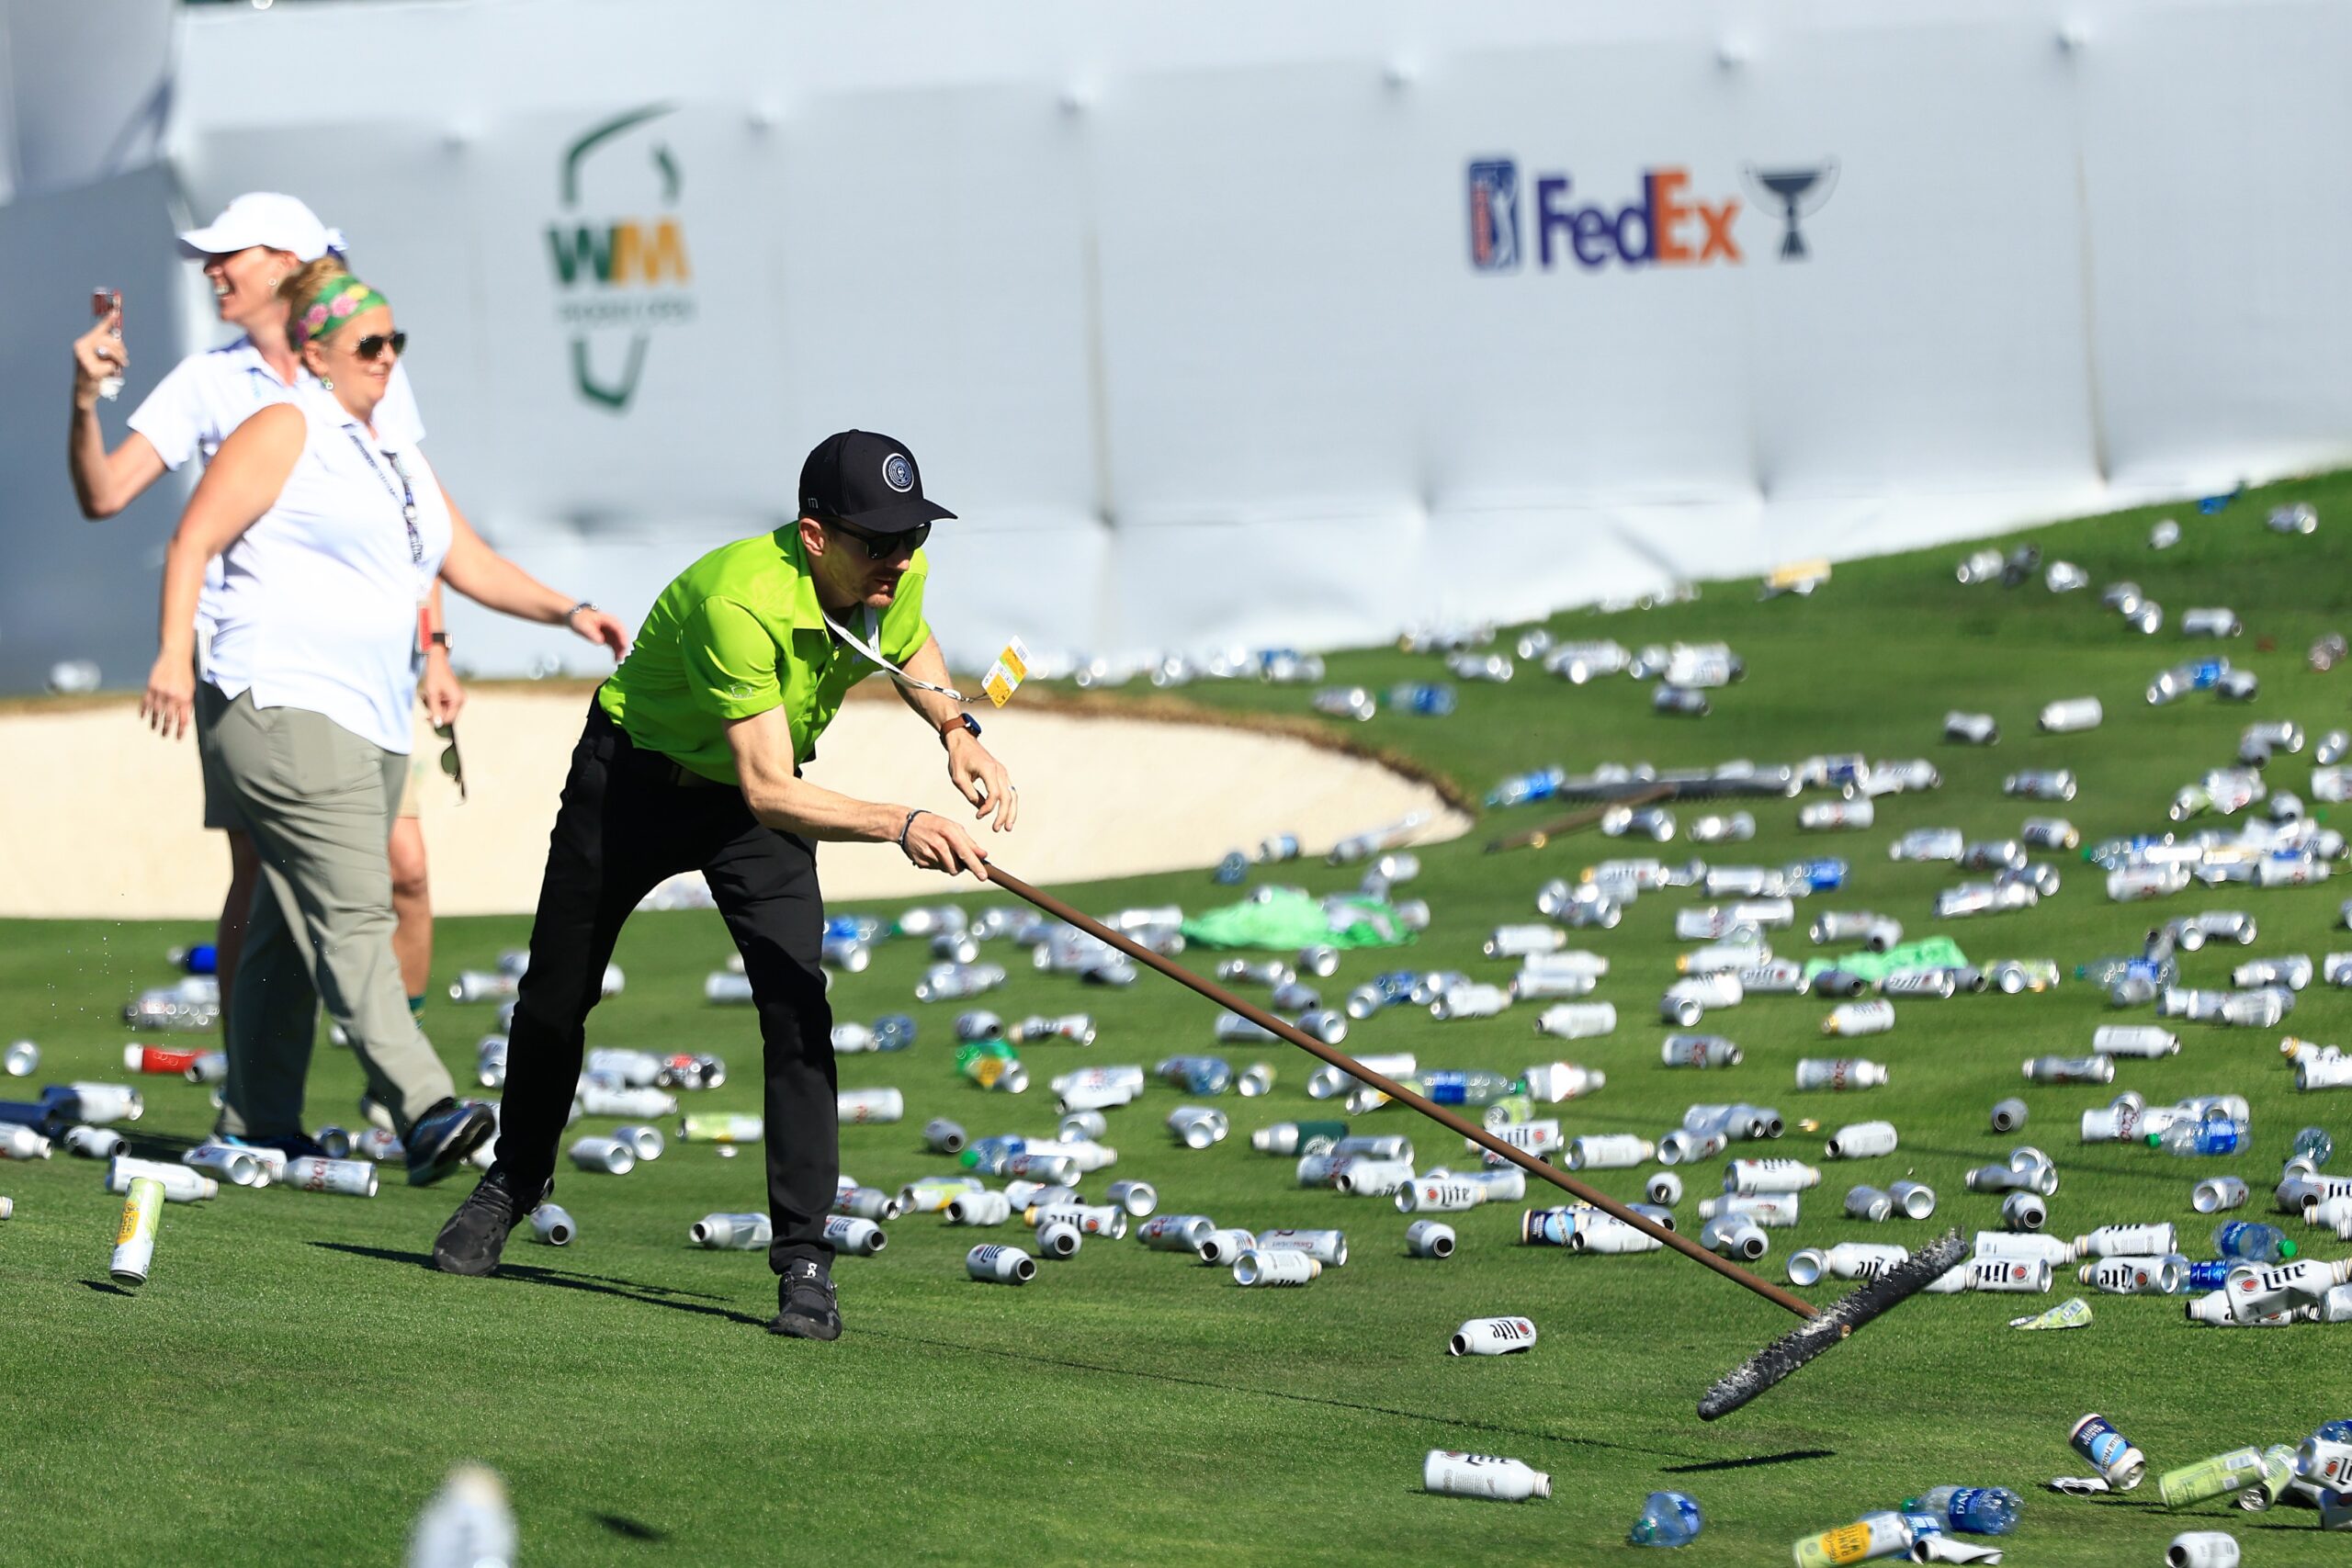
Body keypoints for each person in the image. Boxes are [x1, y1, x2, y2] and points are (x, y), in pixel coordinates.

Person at [431, 430, 1016, 1338]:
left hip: (751, 811)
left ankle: (805, 1257)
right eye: (879, 542)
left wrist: (958, 730)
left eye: (913, 540)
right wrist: (901, 823)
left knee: (796, 1007)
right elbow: (771, 788)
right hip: (634, 784)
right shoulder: (736, 600)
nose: (900, 560)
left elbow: (911, 643)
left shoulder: (889, 575)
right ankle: (516, 1177)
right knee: (555, 994)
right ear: (815, 536)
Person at [139, 258, 630, 1181]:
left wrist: (570, 610)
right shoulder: (287, 425)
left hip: (369, 715)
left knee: (291, 919)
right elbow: (193, 536)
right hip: (278, 696)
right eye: (369, 342)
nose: (387, 357)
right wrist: (171, 651)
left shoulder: (393, 453)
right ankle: (423, 1104)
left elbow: (470, 561)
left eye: (396, 340)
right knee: (355, 907)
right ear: (314, 349)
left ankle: (256, 1121)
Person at [70, 192, 457, 1031]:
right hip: (251, 673)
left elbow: (412, 517)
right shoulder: (206, 380)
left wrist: (438, 646)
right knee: (260, 876)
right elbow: (105, 493)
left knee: (408, 870)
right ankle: (256, 1084)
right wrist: (83, 399)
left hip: (367, 675)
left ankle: (393, 1071)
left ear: (285, 264)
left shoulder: (371, 358)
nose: (212, 271)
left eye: (229, 255)